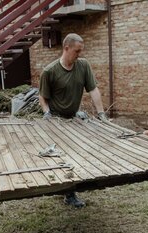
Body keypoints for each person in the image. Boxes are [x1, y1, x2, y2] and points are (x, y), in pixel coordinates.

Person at [39, 33, 107, 209]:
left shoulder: (83, 66)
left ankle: (69, 188)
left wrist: (101, 114)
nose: (79, 55)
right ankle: (68, 194)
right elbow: (43, 98)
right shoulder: (50, 71)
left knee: (77, 152)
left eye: (80, 51)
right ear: (66, 48)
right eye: (76, 51)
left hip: (73, 119)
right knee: (62, 156)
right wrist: (47, 114)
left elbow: (93, 90)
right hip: (56, 120)